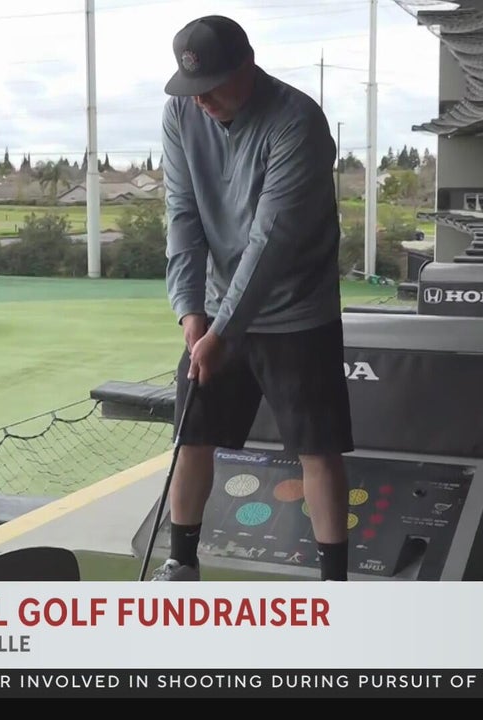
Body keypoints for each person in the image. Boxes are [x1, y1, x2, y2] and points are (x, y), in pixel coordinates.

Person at [154, 15, 353, 582]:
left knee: (316, 450)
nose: (203, 100)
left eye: (214, 85)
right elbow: (182, 214)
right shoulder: (181, 112)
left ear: (249, 65)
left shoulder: (297, 121)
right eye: (193, 88)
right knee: (193, 439)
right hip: (218, 308)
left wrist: (222, 332)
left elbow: (272, 240)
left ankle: (334, 587)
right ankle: (181, 563)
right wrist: (191, 311)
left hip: (296, 311)